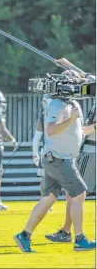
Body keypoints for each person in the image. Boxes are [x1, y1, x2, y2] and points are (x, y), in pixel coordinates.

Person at [14, 75, 96, 252]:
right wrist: (72, 119)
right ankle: (80, 239)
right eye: (73, 83)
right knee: (80, 194)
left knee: (48, 199)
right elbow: (51, 129)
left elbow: (77, 131)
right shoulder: (57, 104)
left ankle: (24, 235)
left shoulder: (71, 104)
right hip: (59, 159)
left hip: (60, 158)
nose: (78, 86)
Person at [44, 101, 96, 243]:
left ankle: (69, 233)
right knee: (73, 194)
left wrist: (90, 128)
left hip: (92, 151)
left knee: (75, 194)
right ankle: (66, 231)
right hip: (87, 150)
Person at [32, 94, 53, 212]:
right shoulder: (64, 112)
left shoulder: (44, 116)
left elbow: (36, 138)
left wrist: (35, 153)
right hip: (56, 150)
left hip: (47, 150)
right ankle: (46, 202)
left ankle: (46, 201)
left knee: (46, 178)